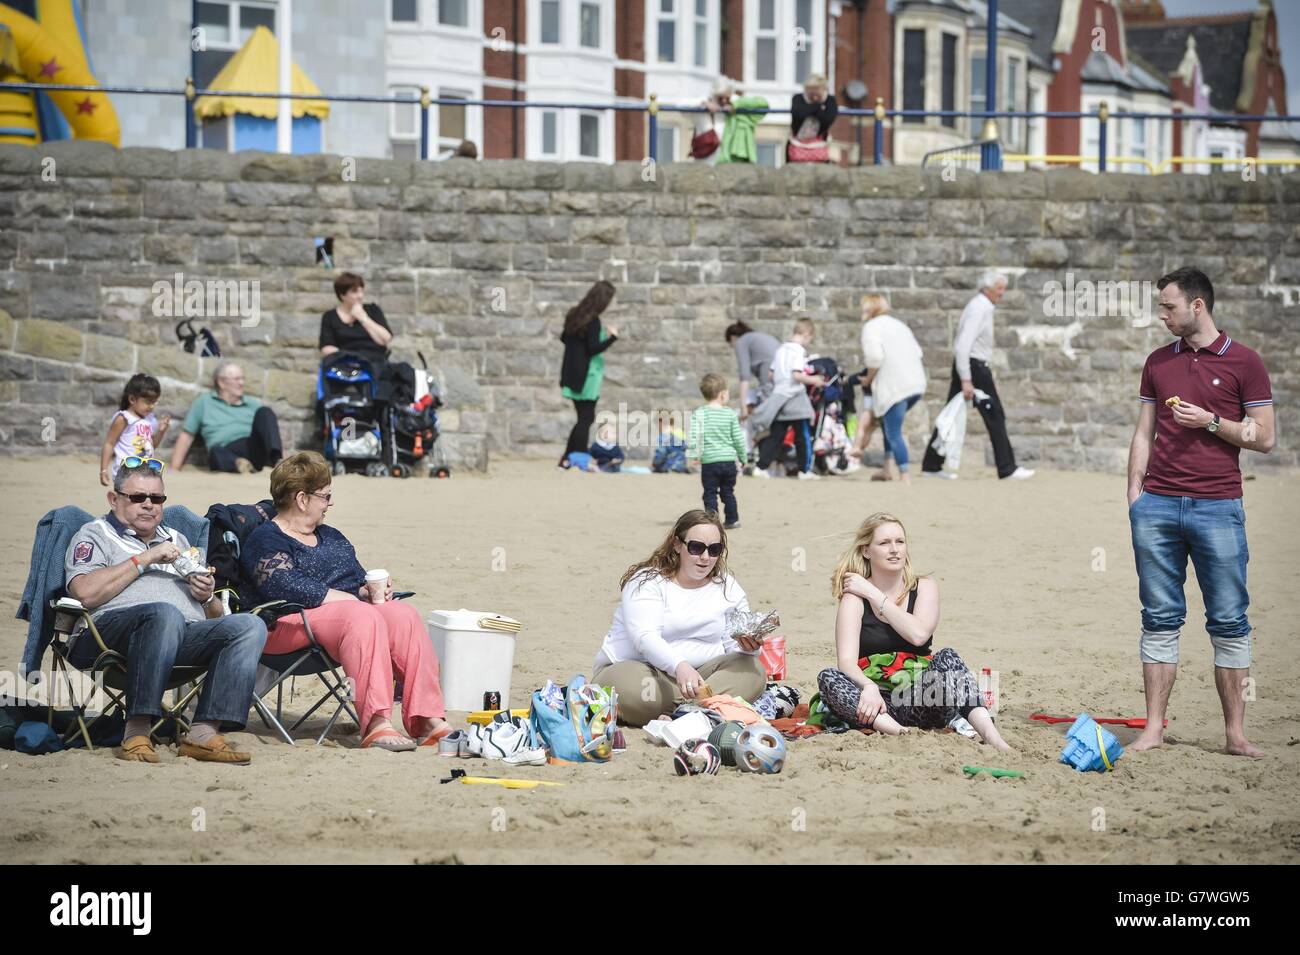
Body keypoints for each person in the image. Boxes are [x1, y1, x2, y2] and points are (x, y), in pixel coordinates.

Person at [1127, 267, 1274, 758]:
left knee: (1230, 619)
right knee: (1159, 617)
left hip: (1219, 507)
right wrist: (1135, 497)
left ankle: (1235, 735)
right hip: (1158, 507)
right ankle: (1153, 728)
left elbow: (1265, 438)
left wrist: (1212, 422)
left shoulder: (1245, 363)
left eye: (1168, 306)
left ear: (1197, 306)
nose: (1161, 314)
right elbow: (1144, 432)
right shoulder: (1157, 362)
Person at [240, 452, 455, 752]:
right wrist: (350, 600)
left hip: (341, 624)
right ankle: (377, 723)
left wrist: (367, 592)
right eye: (325, 497)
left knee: (402, 614)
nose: (330, 503)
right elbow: (282, 585)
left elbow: (355, 579)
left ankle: (427, 719)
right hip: (284, 626)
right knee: (360, 616)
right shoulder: (266, 538)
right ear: (302, 499)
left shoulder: (331, 537)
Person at [64, 459, 268, 764]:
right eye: (138, 498)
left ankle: (202, 732)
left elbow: (212, 616)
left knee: (249, 625)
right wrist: (144, 559)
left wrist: (207, 596)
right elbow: (84, 592)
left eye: (157, 498)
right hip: (107, 638)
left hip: (180, 637)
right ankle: (136, 731)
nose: (149, 505)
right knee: (163, 613)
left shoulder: (178, 540)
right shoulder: (94, 534)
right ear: (114, 498)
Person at [817, 513, 1010, 750]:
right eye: (884, 543)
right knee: (828, 678)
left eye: (900, 542)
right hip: (877, 704)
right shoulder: (853, 598)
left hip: (923, 698)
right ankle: (901, 734)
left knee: (948, 656)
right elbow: (846, 662)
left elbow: (918, 635)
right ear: (867, 550)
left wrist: (874, 594)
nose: (894, 549)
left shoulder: (924, 587)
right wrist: (868, 687)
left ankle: (994, 738)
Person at [593, 510, 767, 727]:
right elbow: (644, 637)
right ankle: (704, 710)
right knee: (633, 691)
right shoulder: (647, 581)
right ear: (677, 545)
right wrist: (679, 666)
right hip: (641, 670)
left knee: (754, 670)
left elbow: (734, 649)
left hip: (702, 678)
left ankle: (685, 713)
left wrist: (749, 646)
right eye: (696, 548)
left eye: (714, 550)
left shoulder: (728, 587)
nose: (705, 557)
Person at [921, 270, 1034, 480]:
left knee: (951, 415)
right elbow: (963, 345)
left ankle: (931, 464)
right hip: (974, 367)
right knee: (995, 415)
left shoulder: (981, 306)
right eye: (999, 288)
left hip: (972, 366)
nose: (1002, 293)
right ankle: (1007, 467)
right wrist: (966, 378)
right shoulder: (979, 307)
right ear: (987, 288)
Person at [850, 294, 926, 484]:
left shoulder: (871, 327)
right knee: (887, 425)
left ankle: (905, 475)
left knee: (893, 431)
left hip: (894, 388)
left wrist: (868, 378)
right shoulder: (900, 325)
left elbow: (875, 357)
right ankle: (886, 469)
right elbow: (918, 352)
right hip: (916, 384)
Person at [170, 361, 283, 474]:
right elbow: (187, 436)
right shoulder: (203, 402)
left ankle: (278, 462)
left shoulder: (253, 404)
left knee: (265, 412)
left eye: (242, 378)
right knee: (215, 452)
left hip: (251, 447)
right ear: (221, 382)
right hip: (224, 450)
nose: (242, 383)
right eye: (237, 379)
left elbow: (269, 432)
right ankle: (239, 464)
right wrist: (174, 468)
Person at [753, 318, 825, 479]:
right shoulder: (798, 351)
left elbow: (771, 374)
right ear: (806, 334)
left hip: (779, 396)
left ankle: (761, 466)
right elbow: (797, 375)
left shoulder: (780, 350)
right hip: (795, 396)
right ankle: (804, 470)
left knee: (776, 435)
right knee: (803, 435)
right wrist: (815, 380)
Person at [559, 280, 619, 468]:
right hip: (588, 375)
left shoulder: (573, 315)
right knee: (586, 419)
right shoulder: (593, 321)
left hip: (571, 372)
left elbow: (564, 338)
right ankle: (580, 457)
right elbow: (593, 349)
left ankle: (567, 459)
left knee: (582, 418)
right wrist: (612, 338)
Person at [688, 374, 747, 529]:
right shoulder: (730, 414)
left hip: (709, 462)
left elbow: (694, 436)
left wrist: (694, 456)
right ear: (722, 394)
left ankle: (712, 521)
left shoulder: (699, 413)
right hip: (728, 462)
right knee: (728, 492)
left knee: (710, 492)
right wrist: (743, 457)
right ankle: (732, 520)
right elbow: (738, 439)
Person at [100, 374, 170, 486]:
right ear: (132, 399)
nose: (152, 406)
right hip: (125, 472)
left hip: (145, 471)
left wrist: (161, 432)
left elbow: (151, 447)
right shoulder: (124, 418)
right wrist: (103, 470)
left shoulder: (150, 419)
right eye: (148, 401)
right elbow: (109, 443)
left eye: (154, 402)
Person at [725, 321, 780, 461]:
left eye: (730, 344)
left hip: (769, 379)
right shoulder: (758, 337)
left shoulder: (742, 341)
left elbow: (744, 376)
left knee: (762, 419)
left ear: (733, 338)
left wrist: (743, 407)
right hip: (780, 377)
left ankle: (759, 456)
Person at [320, 271, 393, 370]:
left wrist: (364, 319)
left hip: (374, 361)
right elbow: (326, 348)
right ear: (342, 295)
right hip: (345, 363)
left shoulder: (372, 310)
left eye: (361, 291)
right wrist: (350, 357)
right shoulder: (330, 317)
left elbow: (386, 339)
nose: (360, 296)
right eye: (355, 292)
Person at [708, 77, 769, 165]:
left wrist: (735, 105)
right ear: (714, 95)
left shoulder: (738, 103)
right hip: (713, 161)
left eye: (727, 98)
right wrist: (704, 104)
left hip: (735, 158)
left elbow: (763, 104)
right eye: (720, 98)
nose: (724, 101)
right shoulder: (707, 105)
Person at [788, 73, 837, 162]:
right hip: (797, 144)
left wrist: (812, 108)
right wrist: (818, 107)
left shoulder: (830, 100)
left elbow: (827, 119)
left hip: (819, 145)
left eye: (816, 89)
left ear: (824, 89)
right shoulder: (798, 98)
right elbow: (799, 114)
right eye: (810, 89)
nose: (813, 93)